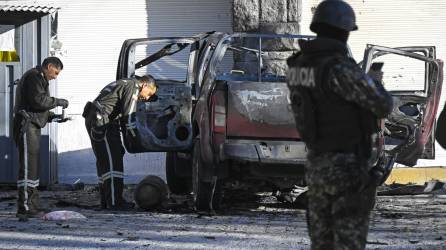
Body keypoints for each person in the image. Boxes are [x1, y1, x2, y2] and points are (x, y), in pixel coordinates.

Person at [286, 0, 394, 249]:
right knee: (348, 242)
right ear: (344, 31)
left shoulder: (298, 66)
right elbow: (383, 105)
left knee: (322, 242)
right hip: (346, 166)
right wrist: (374, 80)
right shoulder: (338, 68)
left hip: (317, 163)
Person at [82, 75, 157, 210]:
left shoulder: (124, 83)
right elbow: (129, 116)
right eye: (149, 93)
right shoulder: (133, 86)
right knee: (113, 162)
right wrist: (137, 139)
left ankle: (106, 201)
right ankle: (115, 202)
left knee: (105, 160)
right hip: (103, 122)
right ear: (144, 85)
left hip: (96, 118)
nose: (147, 98)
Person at [13, 56, 69, 219]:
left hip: (32, 124)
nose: (55, 76)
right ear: (49, 66)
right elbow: (38, 101)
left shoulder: (40, 78)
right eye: (55, 72)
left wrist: (52, 116)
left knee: (33, 168)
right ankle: (24, 207)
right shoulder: (34, 76)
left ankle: (32, 205)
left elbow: (37, 106)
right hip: (26, 125)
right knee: (28, 168)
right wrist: (57, 101)